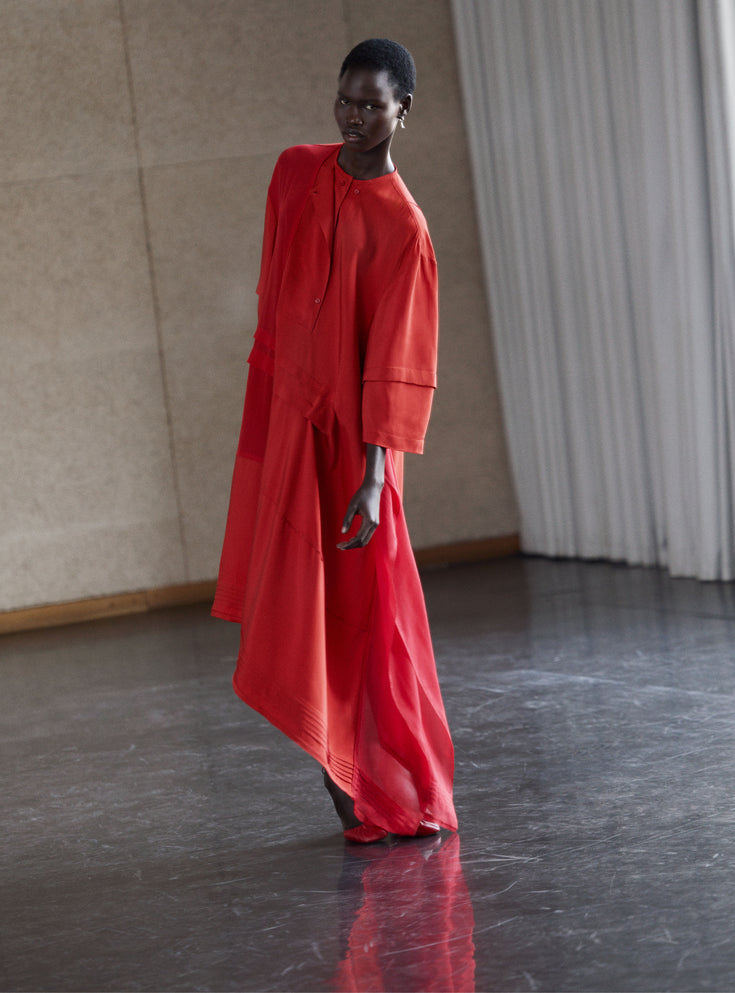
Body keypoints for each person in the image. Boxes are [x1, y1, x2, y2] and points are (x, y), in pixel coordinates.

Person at [212, 38, 457, 843]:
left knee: (360, 606)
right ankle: (335, 763)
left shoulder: (405, 227)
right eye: (345, 101)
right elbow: (277, 295)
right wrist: (274, 400)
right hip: (290, 415)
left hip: (356, 448)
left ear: (402, 110)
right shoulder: (294, 171)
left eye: (372, 105)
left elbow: (396, 361)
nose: (354, 117)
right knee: (298, 594)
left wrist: (376, 476)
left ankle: (379, 777)